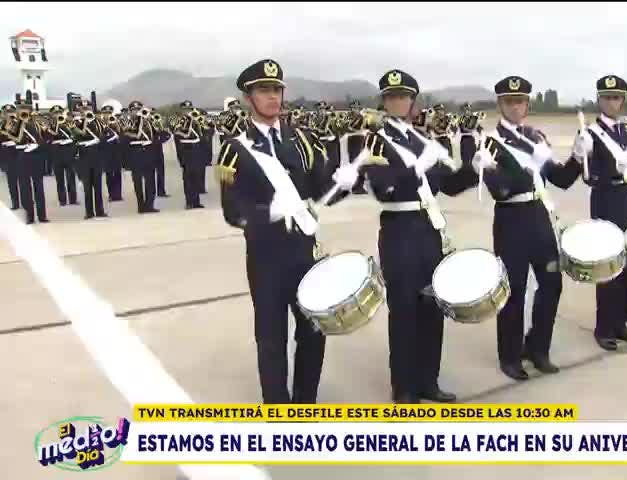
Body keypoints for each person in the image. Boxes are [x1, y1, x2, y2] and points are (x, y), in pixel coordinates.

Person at [336, 69, 478, 402]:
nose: (398, 102)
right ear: (385, 102)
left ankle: (429, 381)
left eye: (403, 96)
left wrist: (474, 169)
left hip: (429, 230)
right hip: (400, 231)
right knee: (404, 311)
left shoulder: (421, 140)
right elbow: (384, 187)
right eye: (391, 97)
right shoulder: (376, 141)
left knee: (432, 307)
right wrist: (417, 168)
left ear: (413, 101)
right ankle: (404, 387)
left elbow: (448, 185)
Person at [216, 58, 336, 403]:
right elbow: (233, 211)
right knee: (271, 337)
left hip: (304, 250)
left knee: (314, 330)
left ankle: (305, 402)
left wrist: (342, 181)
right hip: (266, 255)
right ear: (248, 97)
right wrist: (269, 212)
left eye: (276, 90)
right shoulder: (234, 149)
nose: (272, 97)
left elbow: (322, 188)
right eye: (263, 91)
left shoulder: (303, 141)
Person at [479, 75, 580, 379]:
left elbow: (561, 179)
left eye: (520, 102)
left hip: (539, 216)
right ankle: (510, 356)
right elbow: (499, 189)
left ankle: (538, 348)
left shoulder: (537, 138)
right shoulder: (490, 143)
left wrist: (578, 157)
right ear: (500, 104)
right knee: (515, 290)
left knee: (551, 284)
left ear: (527, 105)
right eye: (509, 102)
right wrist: (525, 168)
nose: (515, 107)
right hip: (512, 220)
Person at [570, 75, 627, 351]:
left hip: (626, 198)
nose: (612, 102)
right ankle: (604, 328)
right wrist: (591, 160)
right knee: (607, 265)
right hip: (606, 199)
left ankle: (620, 323)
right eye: (607, 98)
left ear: (623, 101)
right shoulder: (589, 134)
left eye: (617, 98)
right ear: (599, 100)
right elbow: (588, 177)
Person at [8, 99, 49, 224]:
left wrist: (37, 145)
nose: (23, 113)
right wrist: (21, 124)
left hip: (36, 157)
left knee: (39, 188)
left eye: (25, 111)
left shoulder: (37, 124)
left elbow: (45, 140)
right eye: (20, 110)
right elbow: (15, 139)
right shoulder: (13, 125)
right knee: (25, 188)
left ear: (30, 111)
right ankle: (29, 216)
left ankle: (42, 216)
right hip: (22, 157)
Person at [72, 100, 108, 219]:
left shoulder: (99, 122)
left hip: (97, 157)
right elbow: (76, 137)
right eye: (83, 109)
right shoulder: (77, 123)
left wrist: (98, 141)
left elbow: (105, 136)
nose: (85, 110)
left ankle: (100, 211)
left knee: (97, 186)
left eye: (87, 108)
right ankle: (89, 212)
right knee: (87, 187)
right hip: (84, 158)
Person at [123, 101, 159, 214]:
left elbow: (155, 134)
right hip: (135, 153)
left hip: (148, 152)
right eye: (133, 110)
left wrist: (150, 120)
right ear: (130, 112)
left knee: (150, 180)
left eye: (138, 110)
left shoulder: (147, 121)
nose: (136, 112)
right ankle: (141, 206)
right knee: (137, 181)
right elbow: (129, 136)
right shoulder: (128, 123)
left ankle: (149, 205)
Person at [173, 101, 205, 209]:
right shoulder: (179, 122)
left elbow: (202, 133)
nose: (188, 112)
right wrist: (180, 156)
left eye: (189, 110)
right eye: (185, 110)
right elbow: (181, 135)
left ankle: (196, 201)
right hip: (186, 150)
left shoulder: (194, 120)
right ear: (182, 111)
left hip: (196, 149)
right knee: (188, 178)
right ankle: (189, 202)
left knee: (196, 176)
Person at [47, 105, 78, 206]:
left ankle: (73, 199)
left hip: (68, 153)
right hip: (57, 155)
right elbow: (49, 139)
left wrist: (72, 147)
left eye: (59, 113)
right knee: (59, 179)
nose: (58, 115)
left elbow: (75, 137)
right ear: (52, 115)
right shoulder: (49, 126)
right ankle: (62, 200)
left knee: (71, 178)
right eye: (55, 113)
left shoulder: (68, 124)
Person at [100, 105, 124, 202]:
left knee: (118, 173)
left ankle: (118, 194)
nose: (108, 115)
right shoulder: (100, 124)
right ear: (103, 114)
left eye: (109, 113)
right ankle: (111, 194)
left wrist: (117, 125)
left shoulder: (116, 122)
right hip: (106, 152)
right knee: (109, 174)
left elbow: (121, 135)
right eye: (106, 113)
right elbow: (101, 138)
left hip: (116, 151)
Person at [1, 104, 21, 210]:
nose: (8, 114)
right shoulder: (1, 125)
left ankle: (27, 200)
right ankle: (15, 202)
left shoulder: (19, 124)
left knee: (23, 180)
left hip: (19, 154)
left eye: (10, 112)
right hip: (7, 155)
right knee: (11, 181)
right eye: (6, 113)